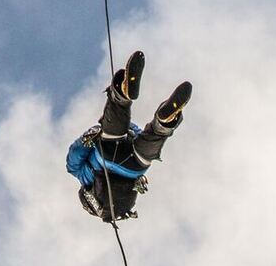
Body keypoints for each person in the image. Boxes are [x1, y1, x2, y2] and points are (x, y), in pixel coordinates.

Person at [65, 51, 192, 221]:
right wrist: (88, 137)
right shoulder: (81, 175)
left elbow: (139, 136)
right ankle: (122, 93)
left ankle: (164, 123)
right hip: (108, 155)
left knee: (152, 139)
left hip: (134, 167)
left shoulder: (119, 201)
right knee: (113, 126)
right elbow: (74, 155)